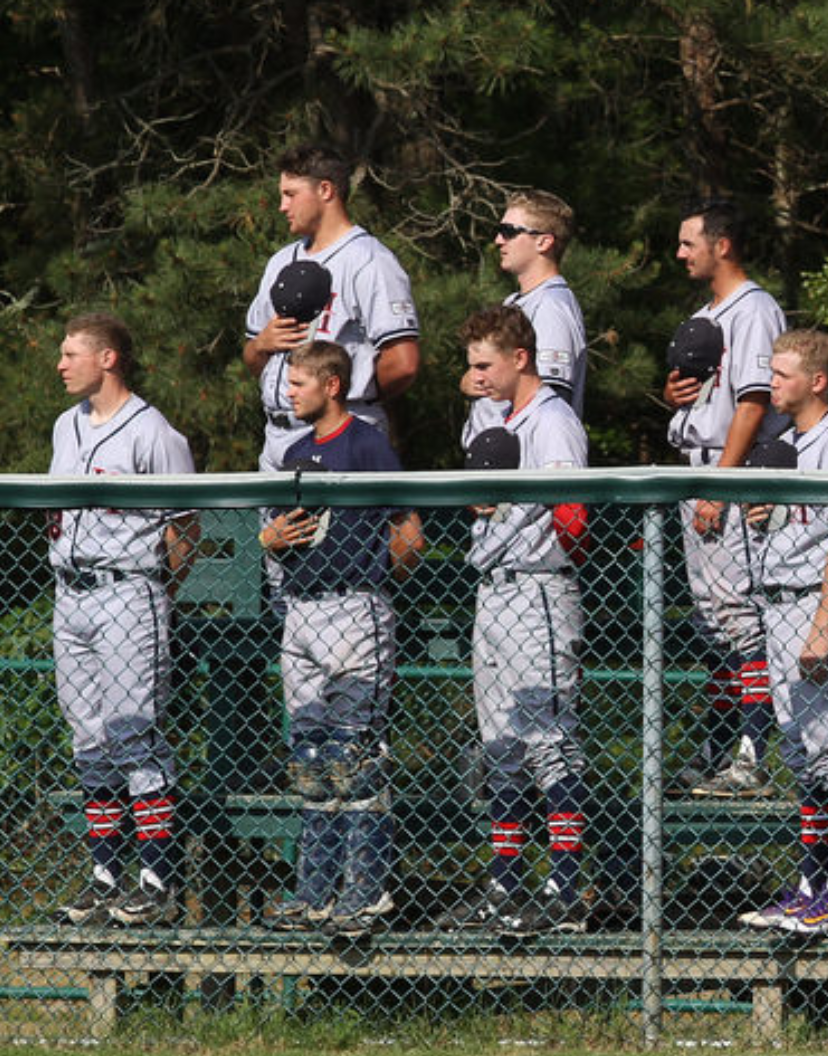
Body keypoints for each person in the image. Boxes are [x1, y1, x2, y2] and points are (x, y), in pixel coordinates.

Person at [437, 306, 595, 937]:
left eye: (485, 364)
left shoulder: (551, 419)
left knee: (548, 741)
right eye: (471, 364)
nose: (475, 376)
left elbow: (574, 515)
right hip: (492, 588)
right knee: (500, 746)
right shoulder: (499, 418)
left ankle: (565, 888)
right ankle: (504, 886)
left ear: (520, 358)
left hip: (538, 587)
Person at [258, 342, 425, 936]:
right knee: (310, 758)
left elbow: (409, 528)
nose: (289, 391)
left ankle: (365, 891)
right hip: (300, 609)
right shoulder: (296, 453)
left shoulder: (366, 442)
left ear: (331, 385)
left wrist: (377, 579)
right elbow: (277, 531)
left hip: (354, 609)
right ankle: (315, 895)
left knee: (354, 754)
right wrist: (270, 541)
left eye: (299, 381)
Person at [48, 313, 198, 927]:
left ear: (107, 359)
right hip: (69, 593)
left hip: (128, 592)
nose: (60, 364)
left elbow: (187, 524)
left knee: (134, 731)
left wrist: (155, 591)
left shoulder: (152, 430)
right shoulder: (65, 426)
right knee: (89, 737)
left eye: (71, 353)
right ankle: (105, 875)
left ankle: (156, 879)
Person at [737, 330, 828, 937]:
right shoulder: (785, 443)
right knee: (803, 756)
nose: (774, 383)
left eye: (784, 374)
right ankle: (810, 884)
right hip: (778, 605)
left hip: (822, 610)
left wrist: (822, 626)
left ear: (817, 381)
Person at [663, 198, 789, 798]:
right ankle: (719, 749)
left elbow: (753, 402)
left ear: (724, 245)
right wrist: (676, 393)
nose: (681, 253)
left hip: (727, 476)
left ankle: (752, 754)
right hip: (700, 471)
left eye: (690, 242)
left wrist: (722, 482)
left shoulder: (754, 309)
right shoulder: (707, 311)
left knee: (742, 620)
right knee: (714, 625)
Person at [242, 143, 421, 472]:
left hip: (341, 434)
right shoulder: (281, 261)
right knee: (278, 527)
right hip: (276, 438)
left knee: (344, 526)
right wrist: (261, 345)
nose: (282, 206)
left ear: (325, 190)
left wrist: (344, 401)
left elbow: (403, 362)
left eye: (291, 194)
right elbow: (253, 359)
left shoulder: (369, 260)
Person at [496, 189, 588, 418]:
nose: (498, 240)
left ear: (543, 242)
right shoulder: (515, 302)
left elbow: (550, 402)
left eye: (508, 232)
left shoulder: (551, 308)